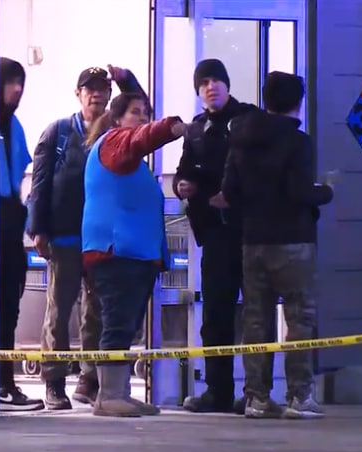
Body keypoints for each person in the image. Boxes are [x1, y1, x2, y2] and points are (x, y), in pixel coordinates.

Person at [27, 66, 148, 410]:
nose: (96, 95)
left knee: (96, 312)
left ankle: (90, 379)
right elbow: (40, 183)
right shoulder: (58, 132)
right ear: (78, 94)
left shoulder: (114, 130)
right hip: (64, 237)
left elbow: (143, 111)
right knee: (59, 309)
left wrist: (127, 80)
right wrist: (38, 229)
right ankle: (53, 382)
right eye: (90, 89)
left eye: (103, 89)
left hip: (100, 238)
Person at [220, 71, 334, 419]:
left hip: (252, 241)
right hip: (293, 241)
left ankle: (256, 397)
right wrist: (326, 191)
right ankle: (300, 397)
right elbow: (300, 192)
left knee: (256, 321)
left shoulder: (239, 138)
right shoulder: (298, 142)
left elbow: (230, 192)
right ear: (298, 102)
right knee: (299, 317)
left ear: (265, 98)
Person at [174, 59, 276, 414]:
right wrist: (182, 186)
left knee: (256, 314)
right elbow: (184, 172)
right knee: (215, 314)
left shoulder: (248, 120)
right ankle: (217, 389)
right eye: (203, 82)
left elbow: (257, 170)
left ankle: (256, 392)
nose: (211, 87)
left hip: (249, 232)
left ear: (228, 85)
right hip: (214, 235)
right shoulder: (197, 128)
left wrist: (225, 191)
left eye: (217, 80)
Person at [82, 92, 186, 418]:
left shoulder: (130, 160)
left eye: (145, 113)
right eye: (135, 112)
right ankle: (109, 395)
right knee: (116, 323)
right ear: (116, 120)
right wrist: (171, 128)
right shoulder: (114, 143)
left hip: (134, 255)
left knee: (125, 326)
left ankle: (120, 392)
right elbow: (142, 137)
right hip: (117, 253)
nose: (142, 119)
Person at [0, 57, 45, 411]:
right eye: (10, 82)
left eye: (21, 83)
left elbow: (19, 176)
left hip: (8, 224)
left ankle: (5, 383)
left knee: (9, 308)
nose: (17, 90)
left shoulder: (12, 125)